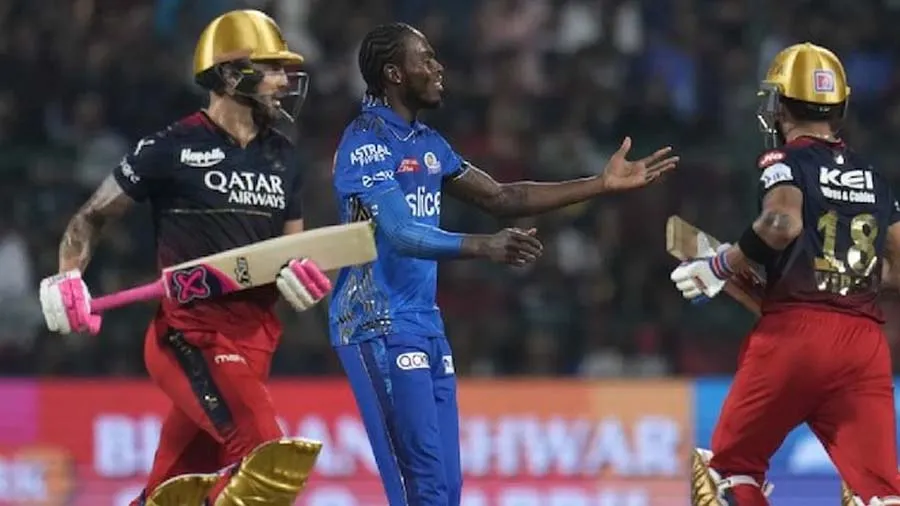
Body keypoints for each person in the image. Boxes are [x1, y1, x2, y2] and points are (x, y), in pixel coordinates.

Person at [329, 22, 679, 506]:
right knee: (421, 488)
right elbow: (401, 233)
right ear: (394, 73)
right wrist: (485, 246)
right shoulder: (366, 141)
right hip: (377, 323)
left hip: (425, 323)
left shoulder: (428, 143)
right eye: (425, 58)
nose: (438, 67)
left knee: (447, 490)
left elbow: (501, 197)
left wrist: (600, 185)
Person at [38, 10, 329, 506]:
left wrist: (306, 277)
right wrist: (69, 277)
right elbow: (92, 216)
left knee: (170, 495)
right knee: (270, 465)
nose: (284, 81)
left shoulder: (284, 156)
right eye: (272, 68)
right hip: (190, 337)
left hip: (254, 345)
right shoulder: (170, 147)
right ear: (230, 75)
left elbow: (294, 253)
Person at [671, 42, 900, 506]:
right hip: (863, 344)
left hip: (793, 336)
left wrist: (721, 265)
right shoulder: (874, 177)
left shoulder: (784, 162)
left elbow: (780, 224)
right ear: (840, 105)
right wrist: (841, 273)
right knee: (881, 494)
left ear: (778, 105)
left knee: (729, 471)